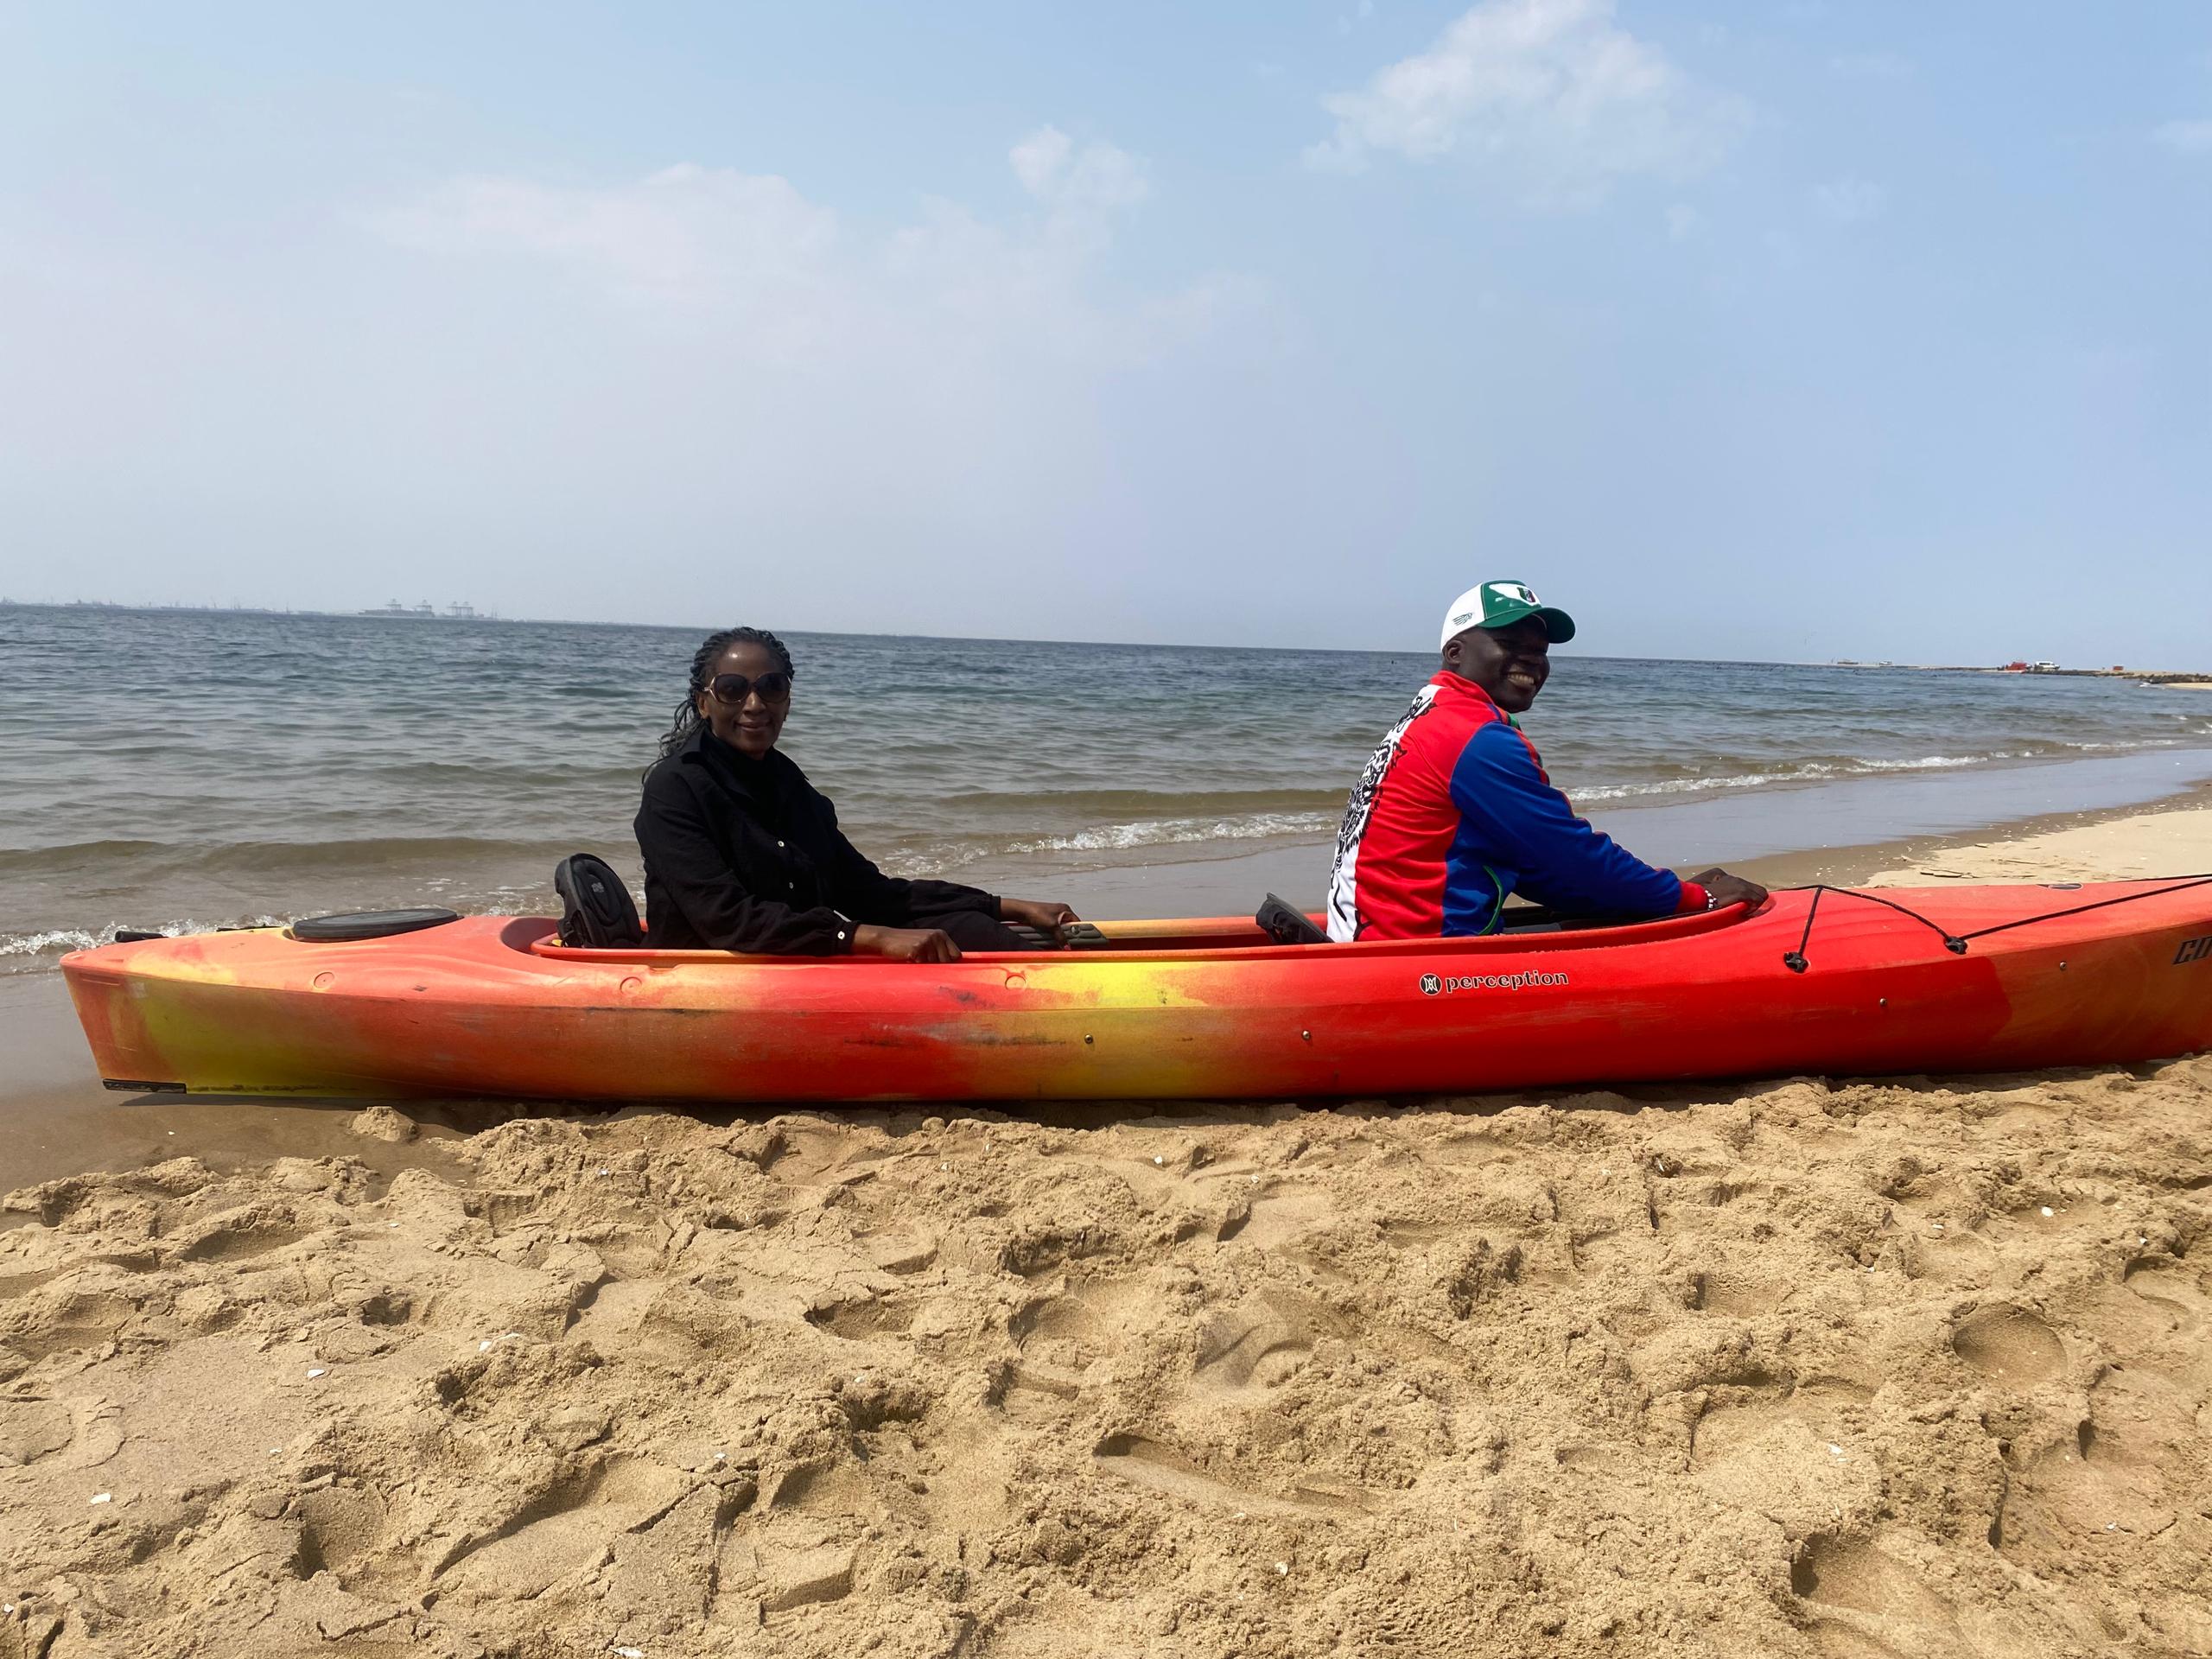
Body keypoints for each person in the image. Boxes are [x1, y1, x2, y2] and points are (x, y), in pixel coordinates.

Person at [1326, 581, 1767, 941]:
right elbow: (1568, 856)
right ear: (1455, 653)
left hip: (1366, 934)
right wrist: (1696, 901)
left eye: (1540, 651)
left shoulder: (1428, 716)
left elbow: (1536, 864)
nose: (1532, 662)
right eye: (1508, 643)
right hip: (1422, 961)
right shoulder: (1474, 738)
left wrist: (1663, 892)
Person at [636, 626, 1078, 961]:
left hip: (796, 958)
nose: (754, 705)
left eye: (771, 687)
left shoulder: (792, 789)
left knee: (970, 927)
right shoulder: (674, 788)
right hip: (709, 970)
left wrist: (1007, 907)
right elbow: (727, 919)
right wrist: (869, 937)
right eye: (733, 689)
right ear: (704, 702)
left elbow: (874, 894)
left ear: (787, 700)